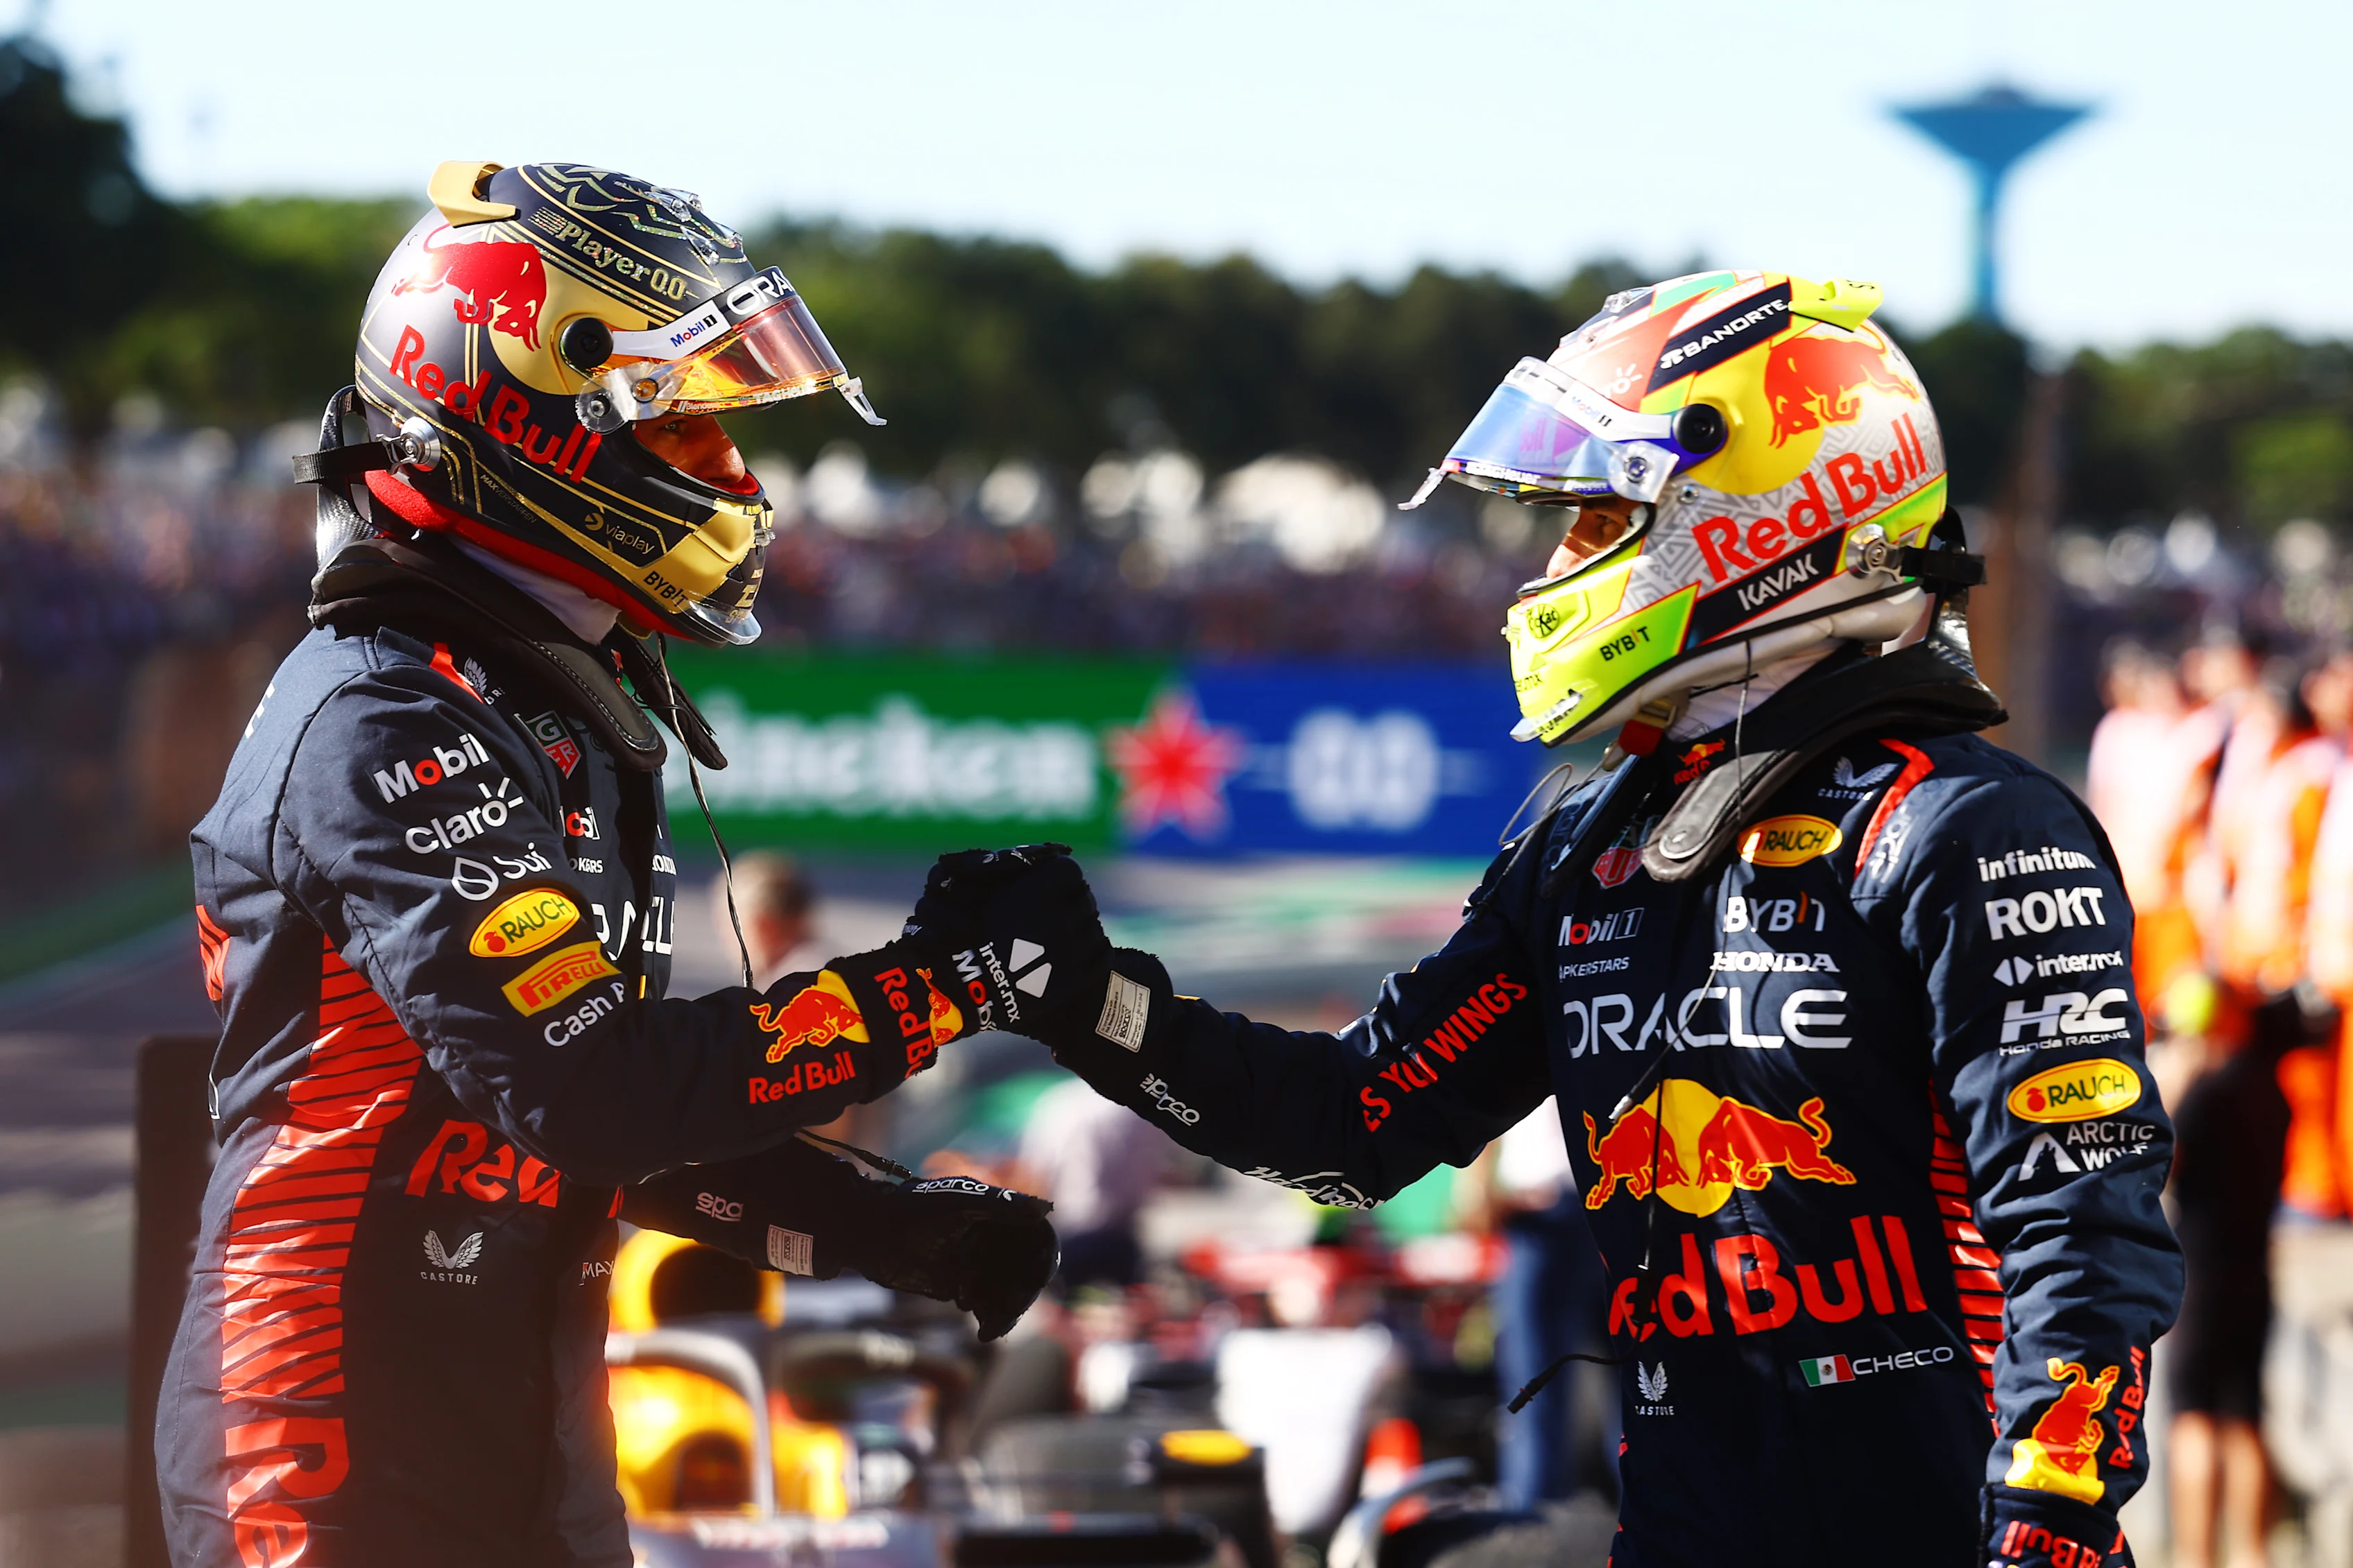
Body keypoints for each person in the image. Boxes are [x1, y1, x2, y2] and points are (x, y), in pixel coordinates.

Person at [907, 273, 2182, 1567]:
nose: (1556, 565)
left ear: (1756, 516)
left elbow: (2082, 1230)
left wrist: (2047, 1524)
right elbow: (1349, 1124)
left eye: (1593, 515)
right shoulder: (1580, 839)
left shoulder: (1967, 827)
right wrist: (1082, 1000)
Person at [157, 162, 1073, 1568]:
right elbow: (589, 1089)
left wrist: (882, 1224)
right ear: (531, 415)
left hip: (529, 1438)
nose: (744, 483)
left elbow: (589, 1130)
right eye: (696, 432)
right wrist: (941, 984)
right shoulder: (383, 717)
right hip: (330, 1449)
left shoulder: (547, 705)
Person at [724, 849, 819, 985]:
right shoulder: (825, 971)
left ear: (763, 924)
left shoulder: (793, 987)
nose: (726, 937)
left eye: (730, 923)